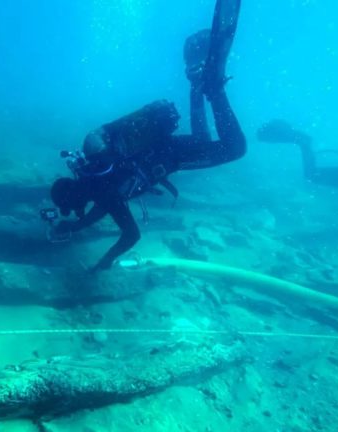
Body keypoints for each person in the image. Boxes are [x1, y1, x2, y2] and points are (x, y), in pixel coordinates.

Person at [49, 0, 246, 272]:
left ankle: (212, 88)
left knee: (235, 149)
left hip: (171, 157)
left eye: (72, 208)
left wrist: (103, 264)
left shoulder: (100, 189)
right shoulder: (91, 174)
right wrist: (76, 226)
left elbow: (131, 235)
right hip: (164, 148)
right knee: (203, 138)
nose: (77, 210)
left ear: (73, 199)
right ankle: (197, 83)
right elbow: (105, 207)